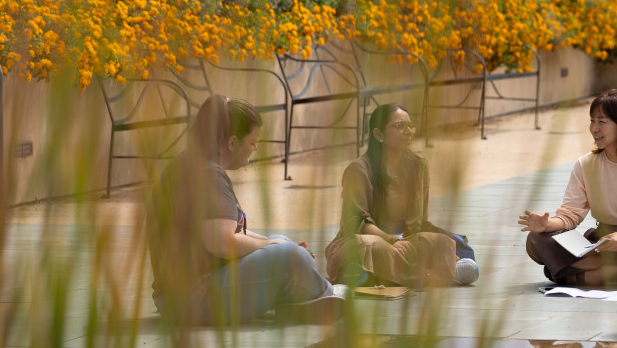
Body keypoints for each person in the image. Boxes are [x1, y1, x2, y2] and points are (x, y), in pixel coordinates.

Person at [145, 95, 344, 326]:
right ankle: (329, 294)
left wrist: (272, 242)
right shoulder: (209, 174)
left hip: (180, 298)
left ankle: (301, 302)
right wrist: (274, 247)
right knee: (292, 256)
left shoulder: (190, 162)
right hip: (192, 300)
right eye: (252, 142)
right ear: (232, 143)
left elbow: (228, 232)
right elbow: (222, 242)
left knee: (283, 240)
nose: (255, 148)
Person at [517, 89, 617, 287]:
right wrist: (545, 226)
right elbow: (570, 215)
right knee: (536, 239)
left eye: (602, 122)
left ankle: (579, 276)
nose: (594, 128)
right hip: (602, 244)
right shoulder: (585, 165)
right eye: (592, 120)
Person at [325, 104, 479, 288]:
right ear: (379, 135)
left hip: (403, 243)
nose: (408, 132)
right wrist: (391, 241)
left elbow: (419, 223)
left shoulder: (418, 167)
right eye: (399, 126)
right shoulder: (358, 170)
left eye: (410, 126)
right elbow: (358, 223)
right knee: (372, 246)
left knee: (439, 241)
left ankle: (371, 274)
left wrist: (416, 242)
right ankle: (437, 274)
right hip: (365, 240)